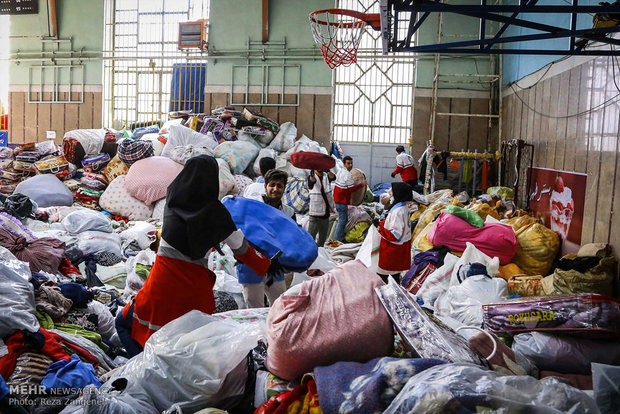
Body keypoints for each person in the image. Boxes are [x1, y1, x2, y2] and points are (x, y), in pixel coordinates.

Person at [115, 155, 278, 357]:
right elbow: (246, 253)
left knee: (123, 323)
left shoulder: (171, 204)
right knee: (189, 350)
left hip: (158, 291)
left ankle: (140, 365)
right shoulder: (217, 214)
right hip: (195, 298)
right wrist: (269, 262)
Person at [238, 168, 294, 308]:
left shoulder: (289, 212)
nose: (275, 189)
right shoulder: (252, 206)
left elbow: (291, 239)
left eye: (279, 186)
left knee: (279, 307)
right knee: (254, 308)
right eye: (272, 185)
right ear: (265, 186)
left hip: (275, 267)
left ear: (284, 188)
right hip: (251, 265)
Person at [373, 182, 413, 284]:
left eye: (392, 191)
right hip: (400, 249)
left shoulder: (398, 211)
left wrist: (379, 227)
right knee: (394, 275)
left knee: (383, 276)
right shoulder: (404, 208)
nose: (390, 194)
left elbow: (394, 235)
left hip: (392, 250)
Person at [333, 156, 364, 243]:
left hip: (337, 199)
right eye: (348, 163)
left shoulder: (340, 172)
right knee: (342, 220)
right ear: (344, 164)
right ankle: (337, 239)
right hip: (341, 201)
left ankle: (339, 237)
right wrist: (361, 184)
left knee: (342, 219)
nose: (350, 165)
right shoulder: (347, 174)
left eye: (351, 163)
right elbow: (351, 189)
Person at [307, 169, 336, 247]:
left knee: (322, 238)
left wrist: (327, 170)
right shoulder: (312, 176)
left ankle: (319, 254)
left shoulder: (326, 176)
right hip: (315, 213)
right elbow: (310, 183)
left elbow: (333, 177)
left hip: (325, 212)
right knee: (310, 237)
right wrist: (312, 176)